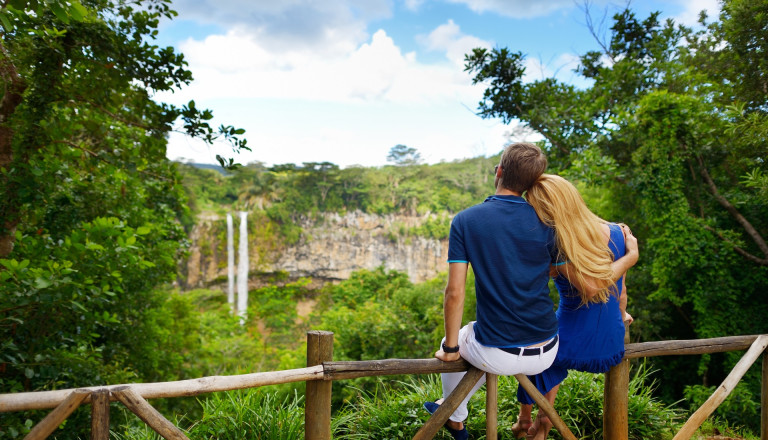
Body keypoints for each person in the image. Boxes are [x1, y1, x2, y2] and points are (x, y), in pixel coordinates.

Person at [424, 142, 561, 440]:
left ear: (499, 172)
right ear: (532, 182)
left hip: (500, 352)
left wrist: (449, 350)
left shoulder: (466, 220)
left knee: (458, 338)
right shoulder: (549, 223)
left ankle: (454, 418)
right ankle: (448, 409)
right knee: (477, 341)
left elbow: (455, 292)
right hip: (549, 347)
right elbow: (560, 270)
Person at [510, 174, 638, 440]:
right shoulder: (616, 232)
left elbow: (591, 288)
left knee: (534, 352)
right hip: (612, 345)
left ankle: (530, 419)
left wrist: (631, 258)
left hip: (571, 345)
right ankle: (542, 419)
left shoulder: (557, 243)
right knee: (548, 352)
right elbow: (621, 291)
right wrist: (621, 313)